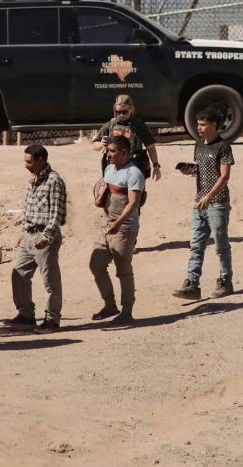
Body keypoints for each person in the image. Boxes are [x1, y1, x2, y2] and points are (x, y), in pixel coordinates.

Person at [172, 108, 236, 301]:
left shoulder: (223, 146)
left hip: (217, 204)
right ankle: (192, 284)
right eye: (198, 124)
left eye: (203, 124)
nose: (199, 128)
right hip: (199, 203)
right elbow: (202, 170)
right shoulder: (198, 145)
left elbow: (224, 176)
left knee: (221, 246)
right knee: (196, 245)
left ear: (213, 125)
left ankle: (225, 281)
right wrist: (190, 171)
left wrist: (209, 197)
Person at [4, 144, 67, 334]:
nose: (26, 165)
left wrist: (46, 237)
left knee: (50, 281)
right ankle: (26, 315)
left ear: (41, 161)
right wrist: (23, 233)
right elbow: (29, 208)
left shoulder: (54, 181)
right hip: (29, 236)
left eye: (29, 162)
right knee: (19, 274)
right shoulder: (33, 180)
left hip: (43, 237)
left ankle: (52, 320)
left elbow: (56, 214)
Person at [89, 135, 144, 324]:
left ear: (124, 152)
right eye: (107, 151)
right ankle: (110, 305)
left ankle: (127, 311)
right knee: (96, 265)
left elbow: (133, 203)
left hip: (124, 228)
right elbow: (104, 191)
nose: (108, 155)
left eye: (112, 151)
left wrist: (118, 223)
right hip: (107, 225)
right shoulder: (109, 169)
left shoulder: (134, 173)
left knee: (123, 270)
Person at [92, 95, 161, 182]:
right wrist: (101, 144)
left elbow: (150, 147)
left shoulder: (139, 125)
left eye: (124, 112)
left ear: (131, 109)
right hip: (114, 167)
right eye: (118, 112)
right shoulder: (110, 125)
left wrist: (156, 166)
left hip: (134, 165)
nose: (121, 115)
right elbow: (95, 145)